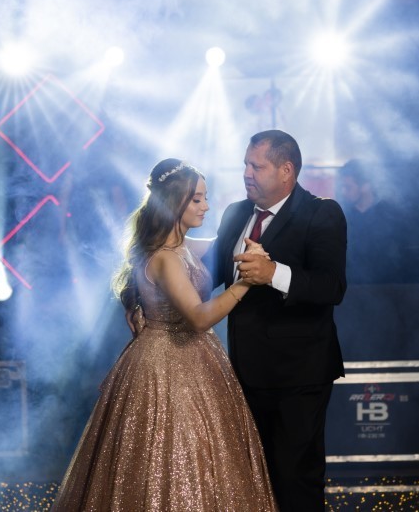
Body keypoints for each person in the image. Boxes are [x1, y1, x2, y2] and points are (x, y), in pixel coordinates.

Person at [53, 158, 277, 511]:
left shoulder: (182, 248)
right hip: (164, 367)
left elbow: (225, 244)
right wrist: (247, 282)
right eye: (197, 199)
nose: (206, 206)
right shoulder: (166, 258)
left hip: (192, 360)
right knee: (168, 456)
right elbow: (200, 318)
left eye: (205, 197)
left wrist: (259, 244)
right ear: (174, 203)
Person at [211, 130, 347, 511]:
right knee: (250, 481)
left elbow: (332, 286)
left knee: (293, 481)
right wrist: (146, 287)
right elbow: (209, 274)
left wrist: (273, 273)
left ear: (286, 170)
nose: (246, 173)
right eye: (245, 165)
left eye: (257, 167)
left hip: (298, 378)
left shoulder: (322, 212)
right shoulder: (235, 213)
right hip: (242, 374)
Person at [337, 158, 403, 284]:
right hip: (351, 288)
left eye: (348, 187)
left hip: (387, 286)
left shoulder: (389, 215)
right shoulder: (341, 217)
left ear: (365, 186)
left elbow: (398, 256)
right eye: (342, 187)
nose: (343, 192)